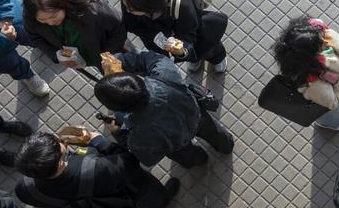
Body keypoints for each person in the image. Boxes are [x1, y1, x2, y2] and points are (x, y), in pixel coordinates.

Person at [14, 132, 180, 208]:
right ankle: (160, 205)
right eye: (59, 145)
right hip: (131, 193)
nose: (60, 141)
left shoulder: (25, 189)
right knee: (153, 195)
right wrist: (99, 141)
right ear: (59, 163)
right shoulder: (100, 170)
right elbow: (129, 163)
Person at [94, 50, 234, 168]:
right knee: (215, 133)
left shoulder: (137, 132)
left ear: (116, 107)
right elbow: (152, 58)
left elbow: (148, 159)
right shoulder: (164, 75)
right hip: (196, 115)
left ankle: (201, 161)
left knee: (190, 158)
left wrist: (119, 133)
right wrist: (119, 61)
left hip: (176, 145)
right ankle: (226, 146)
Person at [120, 0, 228, 74]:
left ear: (149, 7)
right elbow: (132, 25)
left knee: (207, 46)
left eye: (132, 9)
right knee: (193, 54)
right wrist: (157, 37)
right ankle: (194, 58)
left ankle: (218, 58)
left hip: (192, 31)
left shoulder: (182, 4)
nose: (128, 11)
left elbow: (188, 35)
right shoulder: (129, 0)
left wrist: (181, 51)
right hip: (160, 38)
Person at [272, 16, 339, 132]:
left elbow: (325, 32)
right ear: (309, 56)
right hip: (325, 99)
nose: (325, 41)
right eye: (320, 43)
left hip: (335, 80)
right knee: (331, 112)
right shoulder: (311, 84)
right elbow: (333, 101)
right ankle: (330, 124)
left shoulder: (311, 37)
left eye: (321, 35)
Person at [22, 0, 127, 72]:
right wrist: (56, 55)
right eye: (42, 20)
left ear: (62, 3)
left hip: (114, 54)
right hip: (91, 59)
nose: (50, 22)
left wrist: (107, 57)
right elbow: (35, 38)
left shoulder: (94, 9)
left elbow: (119, 28)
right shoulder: (31, 17)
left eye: (53, 16)